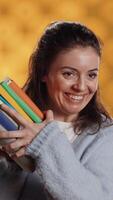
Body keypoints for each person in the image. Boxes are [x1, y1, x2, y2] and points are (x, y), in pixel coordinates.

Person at [0, 21, 113, 200]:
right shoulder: (14, 119)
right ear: (44, 72)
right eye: (69, 74)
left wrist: (44, 142)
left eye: (91, 75)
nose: (81, 86)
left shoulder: (106, 137)